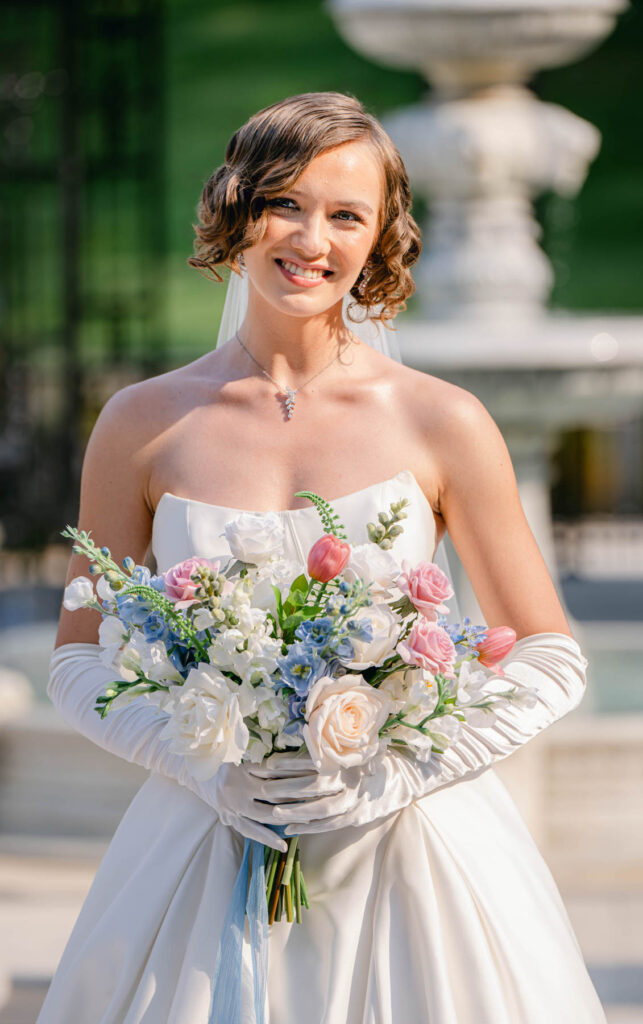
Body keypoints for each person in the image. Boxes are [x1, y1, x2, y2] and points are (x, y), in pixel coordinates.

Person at [38, 91, 607, 1023]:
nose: (312, 240)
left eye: (346, 215)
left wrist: (399, 771)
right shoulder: (140, 424)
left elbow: (549, 653)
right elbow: (76, 657)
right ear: (237, 208)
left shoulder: (443, 420)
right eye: (285, 204)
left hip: (413, 859)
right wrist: (205, 766)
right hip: (205, 844)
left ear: (380, 238)